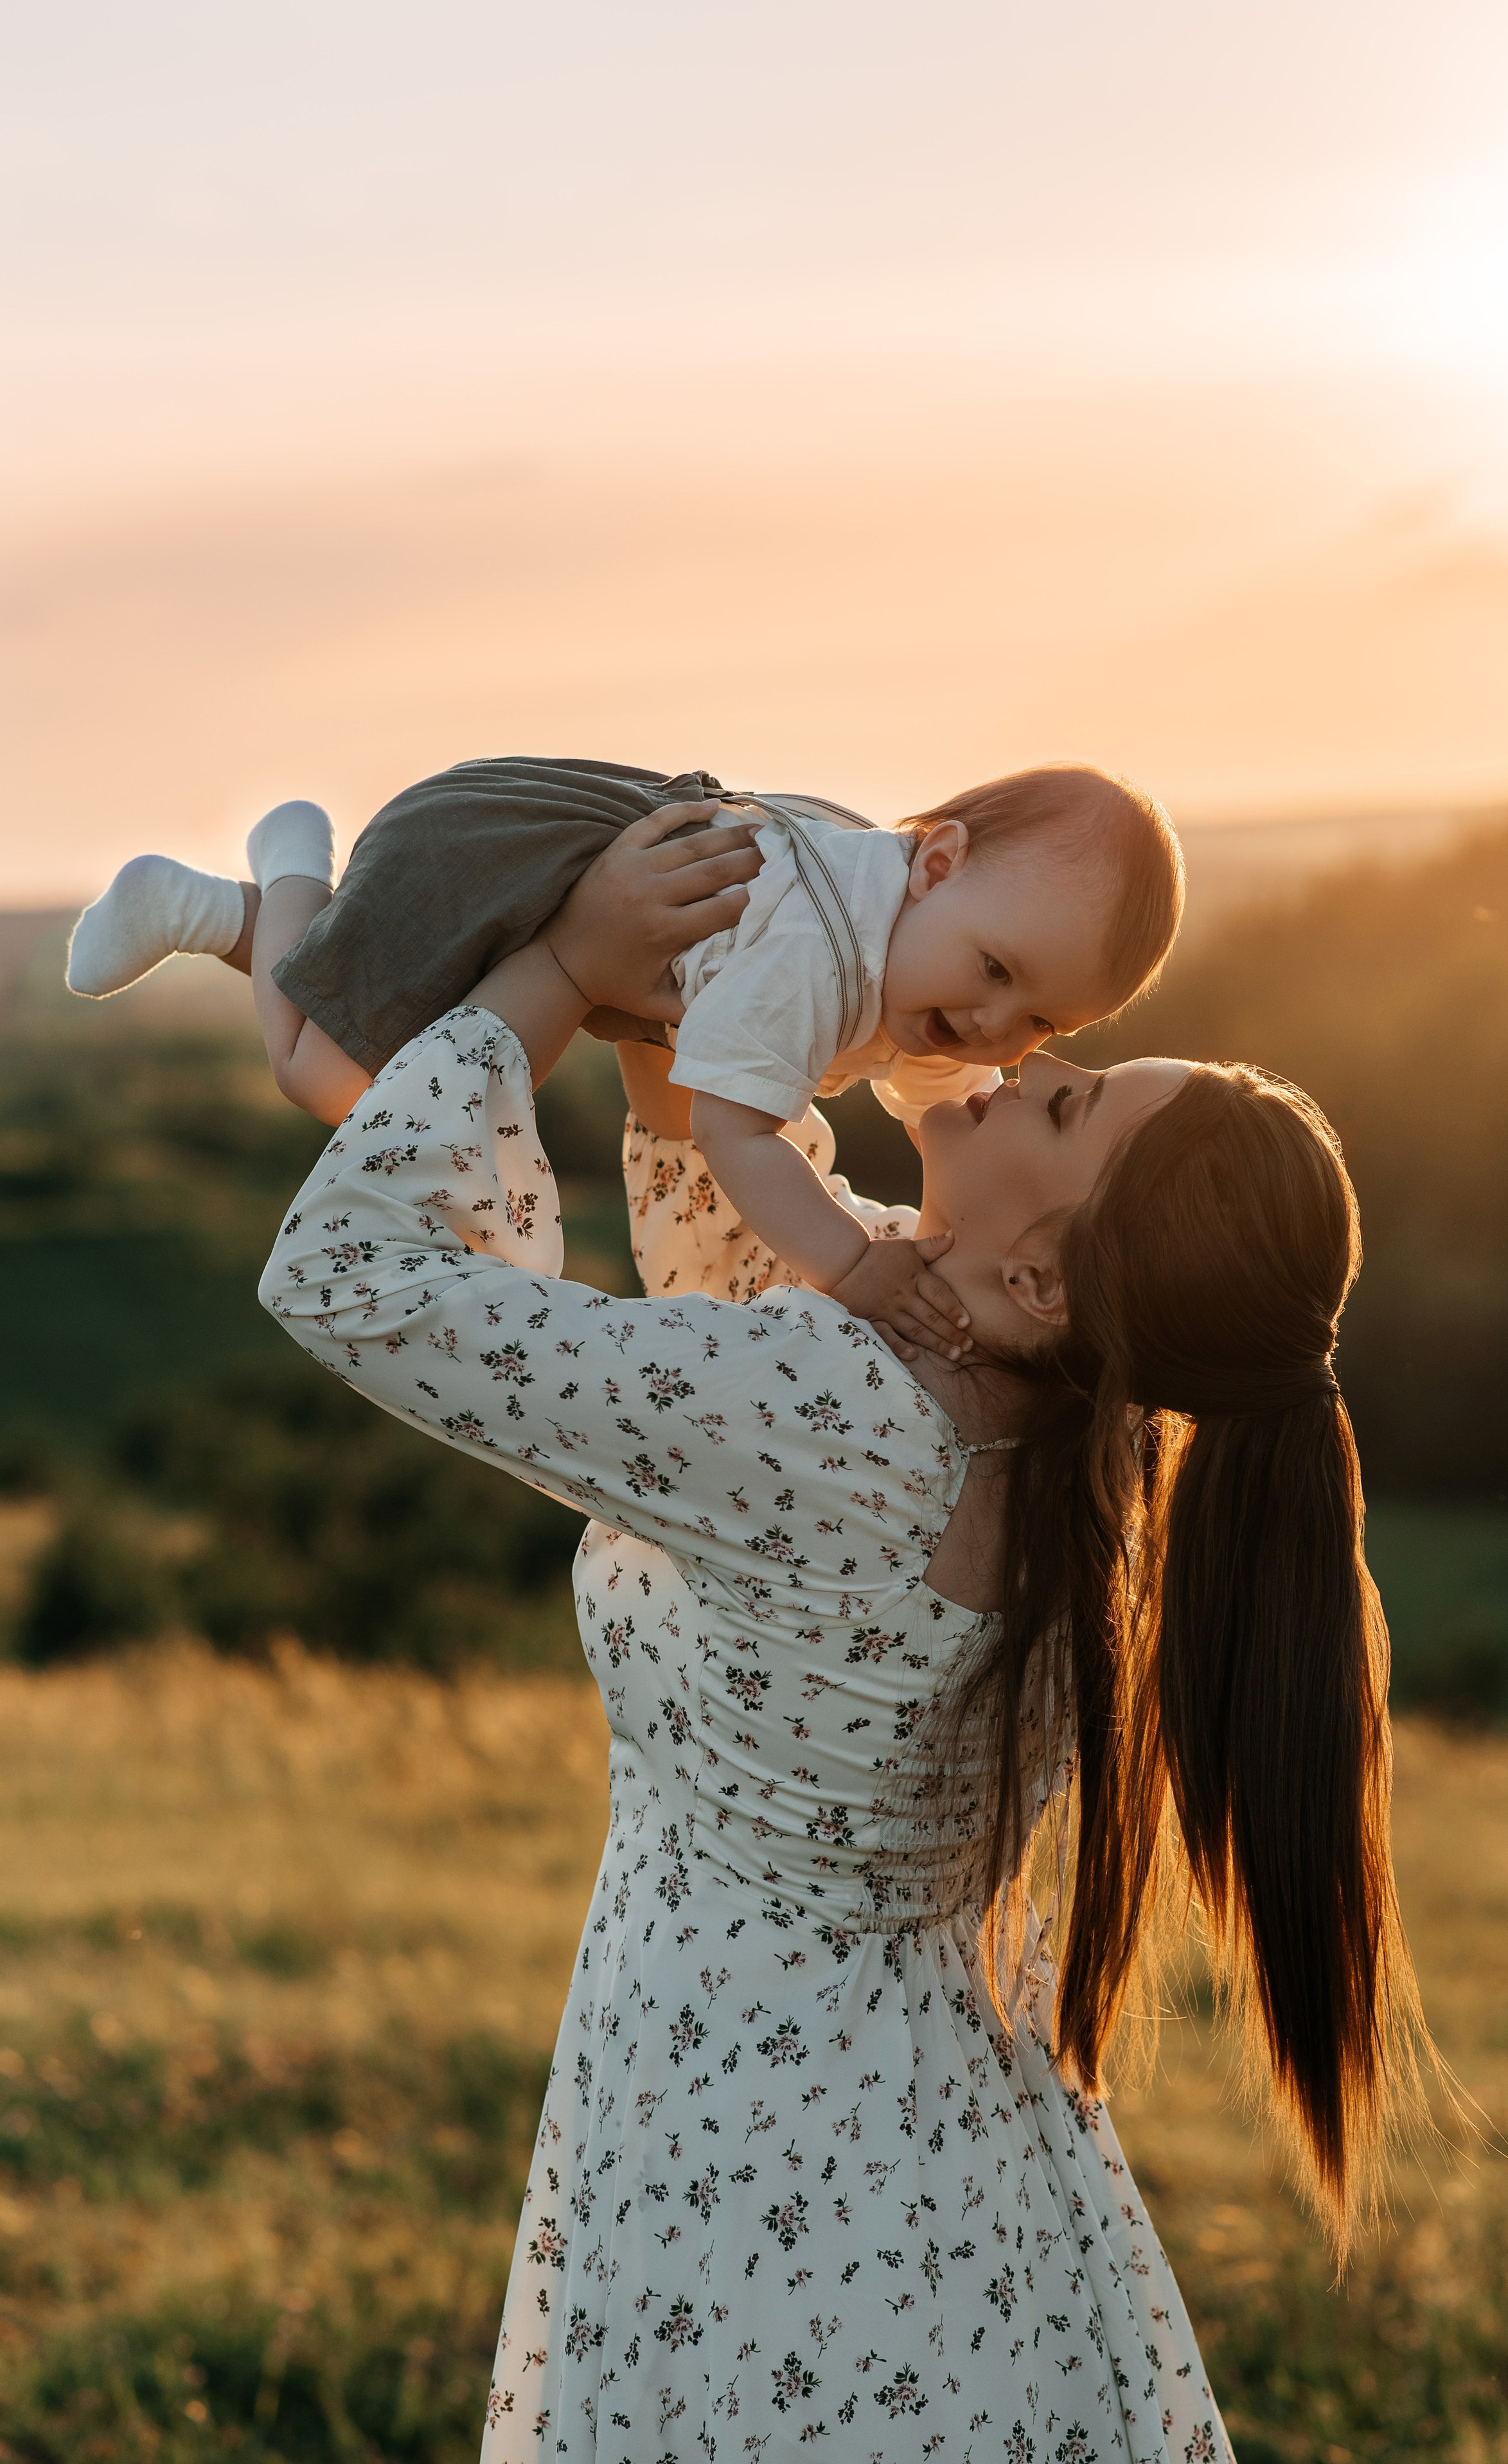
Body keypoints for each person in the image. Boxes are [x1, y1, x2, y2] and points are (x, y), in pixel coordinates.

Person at [258, 810, 1433, 2464]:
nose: (1025, 1066)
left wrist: (552, 969)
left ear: (1041, 1278)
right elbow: (734, 1263)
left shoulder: (839, 1411)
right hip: (933, 2158)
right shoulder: (1060, 1415)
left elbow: (348, 1275)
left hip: (754, 2159)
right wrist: (700, 1010)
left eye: (1073, 1097)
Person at [67, 752, 1182, 1359]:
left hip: (570, 862)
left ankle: (269, 903)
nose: (999, 1034)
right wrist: (851, 1266)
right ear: (936, 864)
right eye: (996, 971)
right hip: (503, 855)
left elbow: (953, 1114)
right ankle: (249, 892)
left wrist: (970, 1226)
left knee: (394, 1074)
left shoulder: (926, 964)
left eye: (1043, 1025)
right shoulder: (820, 952)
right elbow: (734, 1133)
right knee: (328, 1080)